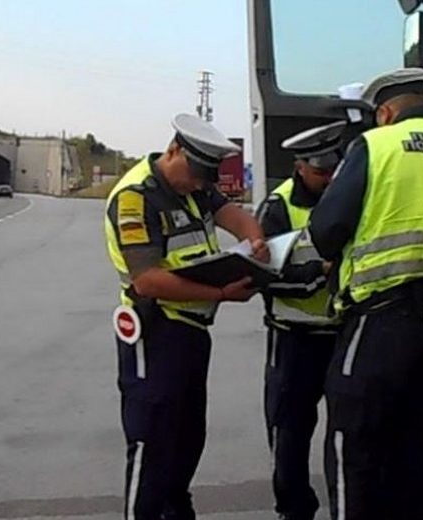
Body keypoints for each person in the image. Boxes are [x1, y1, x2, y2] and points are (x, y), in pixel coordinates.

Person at [307, 68, 423, 520]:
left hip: (382, 316)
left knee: (353, 437)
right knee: (412, 440)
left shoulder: (376, 146)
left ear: (385, 112)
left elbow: (326, 230)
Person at [103, 114, 270, 520]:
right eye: (194, 175)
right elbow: (147, 280)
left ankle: (176, 511)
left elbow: (234, 216)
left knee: (187, 440)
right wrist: (220, 294)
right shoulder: (136, 197)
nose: (198, 185)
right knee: (152, 440)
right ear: (174, 150)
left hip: (192, 332)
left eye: (204, 179)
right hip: (155, 330)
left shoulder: (196, 188)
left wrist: (255, 239)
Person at [254, 120, 347, 520]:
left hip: (342, 334)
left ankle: (346, 508)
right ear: (299, 167)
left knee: (348, 434)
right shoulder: (277, 208)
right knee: (288, 435)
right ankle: (294, 510)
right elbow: (264, 278)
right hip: (294, 340)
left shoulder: (349, 198)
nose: (329, 179)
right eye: (320, 171)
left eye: (334, 169)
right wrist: (320, 273)